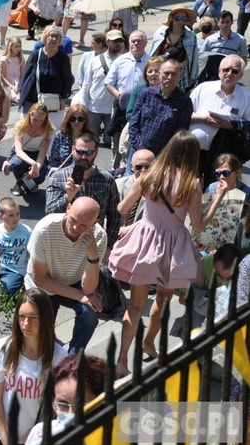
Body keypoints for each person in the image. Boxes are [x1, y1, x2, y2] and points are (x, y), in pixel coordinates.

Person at [109, 131, 227, 377]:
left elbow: (122, 207)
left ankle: (121, 361)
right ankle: (149, 342)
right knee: (163, 298)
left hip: (145, 241)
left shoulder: (149, 176)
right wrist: (217, 199)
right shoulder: (191, 184)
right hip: (174, 246)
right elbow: (197, 225)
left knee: (135, 305)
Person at [0, 289, 66, 445]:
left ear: (45, 319)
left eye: (33, 318)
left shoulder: (59, 355)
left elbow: (56, 404)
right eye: (21, 317)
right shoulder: (3, 348)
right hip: (0, 436)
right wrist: (5, 439)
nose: (26, 324)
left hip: (34, 439)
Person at [25, 196, 107, 353]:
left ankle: (73, 360)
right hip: (44, 283)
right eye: (74, 220)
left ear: (95, 223)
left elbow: (89, 289)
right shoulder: (45, 228)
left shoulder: (99, 237)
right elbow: (40, 279)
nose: (76, 228)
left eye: (84, 225)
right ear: (68, 208)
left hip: (74, 280)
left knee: (90, 313)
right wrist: (79, 295)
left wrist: (93, 257)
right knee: (42, 336)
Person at [46, 132, 121, 257]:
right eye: (80, 152)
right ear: (73, 150)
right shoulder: (58, 178)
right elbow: (49, 213)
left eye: (89, 153)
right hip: (62, 244)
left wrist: (108, 247)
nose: (83, 157)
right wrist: (68, 197)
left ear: (96, 153)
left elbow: (115, 217)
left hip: (93, 244)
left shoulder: (107, 180)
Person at [22, 354, 107, 445]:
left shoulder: (116, 431)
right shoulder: (40, 435)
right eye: (63, 404)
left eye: (80, 405)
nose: (71, 413)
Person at [189, 55, 250, 184]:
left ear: (240, 75)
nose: (229, 74)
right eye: (226, 69)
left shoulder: (246, 97)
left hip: (223, 157)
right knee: (190, 187)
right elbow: (184, 115)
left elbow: (248, 125)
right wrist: (203, 118)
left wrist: (232, 125)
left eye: (234, 71)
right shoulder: (203, 88)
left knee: (215, 190)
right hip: (194, 151)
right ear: (219, 71)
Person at [129, 58, 193, 157]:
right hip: (138, 154)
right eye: (166, 73)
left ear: (180, 76)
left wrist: (161, 155)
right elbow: (133, 124)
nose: (169, 77)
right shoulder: (146, 94)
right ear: (159, 74)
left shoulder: (185, 102)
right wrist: (141, 150)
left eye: (174, 74)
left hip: (163, 158)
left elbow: (179, 134)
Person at [104, 30, 148, 169]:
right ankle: (115, 169)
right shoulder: (120, 61)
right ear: (129, 43)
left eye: (139, 40)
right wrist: (119, 96)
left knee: (137, 139)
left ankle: (135, 167)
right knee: (117, 139)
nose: (136, 43)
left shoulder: (151, 62)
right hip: (121, 107)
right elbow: (108, 83)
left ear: (146, 43)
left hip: (143, 109)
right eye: (133, 41)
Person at [17, 25, 72, 129]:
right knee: (27, 128)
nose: (54, 39)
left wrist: (63, 98)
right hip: (32, 96)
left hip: (53, 101)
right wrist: (20, 92)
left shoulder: (63, 58)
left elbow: (67, 80)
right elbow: (25, 74)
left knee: (51, 130)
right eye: (52, 36)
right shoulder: (35, 54)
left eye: (58, 37)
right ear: (45, 37)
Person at [2, 102, 55, 196]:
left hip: (37, 153)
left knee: (41, 174)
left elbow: (42, 155)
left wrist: (36, 168)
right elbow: (18, 151)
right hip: (22, 152)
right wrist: (33, 163)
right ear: (29, 115)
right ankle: (19, 184)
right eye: (35, 120)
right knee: (17, 164)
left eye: (41, 121)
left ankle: (31, 183)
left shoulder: (49, 130)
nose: (38, 123)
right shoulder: (20, 126)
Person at [80, 30, 123, 143]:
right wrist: (84, 105)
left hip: (113, 110)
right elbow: (86, 84)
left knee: (110, 141)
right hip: (94, 108)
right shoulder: (95, 61)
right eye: (115, 41)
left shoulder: (124, 61)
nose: (118, 44)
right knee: (91, 141)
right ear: (108, 42)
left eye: (120, 41)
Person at [0, 197, 33, 297]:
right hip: (0, 268)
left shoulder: (27, 232)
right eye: (11, 215)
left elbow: (32, 256)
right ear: (1, 216)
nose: (16, 218)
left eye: (18, 214)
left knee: (4, 292)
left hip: (16, 271)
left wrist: (29, 275)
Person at [150, 7, 199, 90]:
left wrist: (175, 69)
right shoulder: (161, 32)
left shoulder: (190, 36)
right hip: (161, 70)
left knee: (179, 98)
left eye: (184, 18)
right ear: (172, 18)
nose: (181, 21)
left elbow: (188, 60)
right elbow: (154, 56)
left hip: (180, 72)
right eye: (178, 18)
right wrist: (163, 69)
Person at [116, 148, 155, 228]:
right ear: (132, 166)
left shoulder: (160, 190)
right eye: (138, 167)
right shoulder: (118, 185)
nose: (143, 170)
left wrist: (130, 229)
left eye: (147, 166)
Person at [47, 105, 93, 171]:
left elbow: (90, 160)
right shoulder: (60, 136)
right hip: (62, 173)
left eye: (80, 119)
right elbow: (53, 160)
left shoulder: (90, 138)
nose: (76, 121)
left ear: (85, 120)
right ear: (68, 120)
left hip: (82, 173)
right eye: (73, 119)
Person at [0, 37, 26, 104]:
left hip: (18, 83)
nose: (18, 49)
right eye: (16, 46)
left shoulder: (21, 59)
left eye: (19, 46)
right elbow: (2, 77)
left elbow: (22, 75)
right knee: (15, 97)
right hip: (7, 84)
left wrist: (19, 86)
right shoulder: (4, 59)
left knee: (24, 95)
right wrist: (11, 86)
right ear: (10, 47)